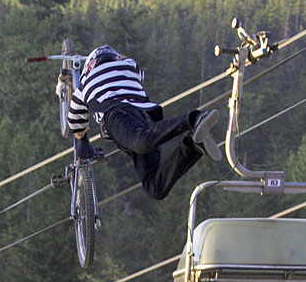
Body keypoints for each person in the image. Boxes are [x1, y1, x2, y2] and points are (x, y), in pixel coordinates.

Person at [64, 45, 221, 201]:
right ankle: (193, 146)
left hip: (117, 115)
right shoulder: (130, 67)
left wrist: (82, 142)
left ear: (90, 65)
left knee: (141, 141)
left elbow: (74, 121)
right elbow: (136, 70)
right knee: (155, 188)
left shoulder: (85, 82)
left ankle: (193, 119)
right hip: (144, 115)